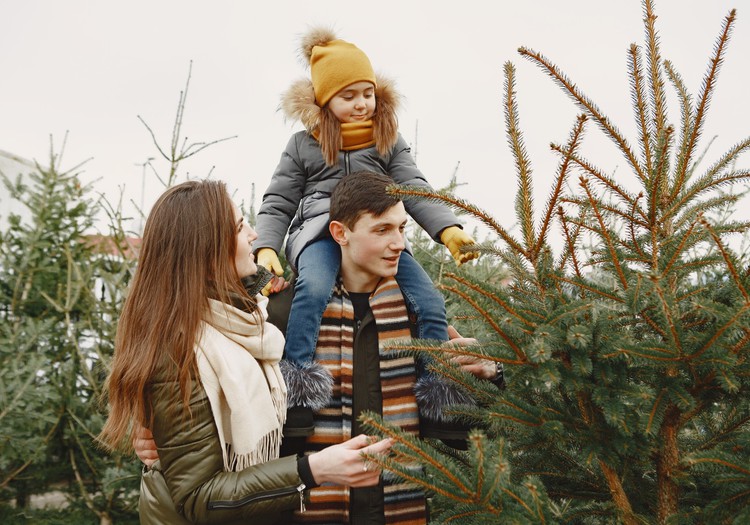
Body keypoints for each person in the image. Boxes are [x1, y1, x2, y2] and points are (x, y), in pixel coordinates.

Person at [98, 180, 393, 525]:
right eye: (240, 227)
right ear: (207, 248)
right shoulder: (179, 350)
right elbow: (197, 496)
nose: (254, 234)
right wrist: (314, 468)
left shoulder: (247, 320)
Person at [279, 171, 502, 524]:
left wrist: (489, 373)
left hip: (398, 510)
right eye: (382, 230)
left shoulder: (419, 316)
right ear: (340, 233)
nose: (398, 243)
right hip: (309, 510)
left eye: (402, 229)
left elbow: (464, 434)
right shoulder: (287, 315)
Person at [254, 27, 480, 373]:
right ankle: (298, 377)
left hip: (377, 236)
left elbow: (413, 185)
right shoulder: (302, 145)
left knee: (428, 300)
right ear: (325, 100)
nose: (361, 104)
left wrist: (447, 228)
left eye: (367, 93)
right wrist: (266, 246)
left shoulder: (386, 139)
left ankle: (437, 380)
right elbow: (279, 200)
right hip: (320, 235)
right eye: (348, 96)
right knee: (312, 290)